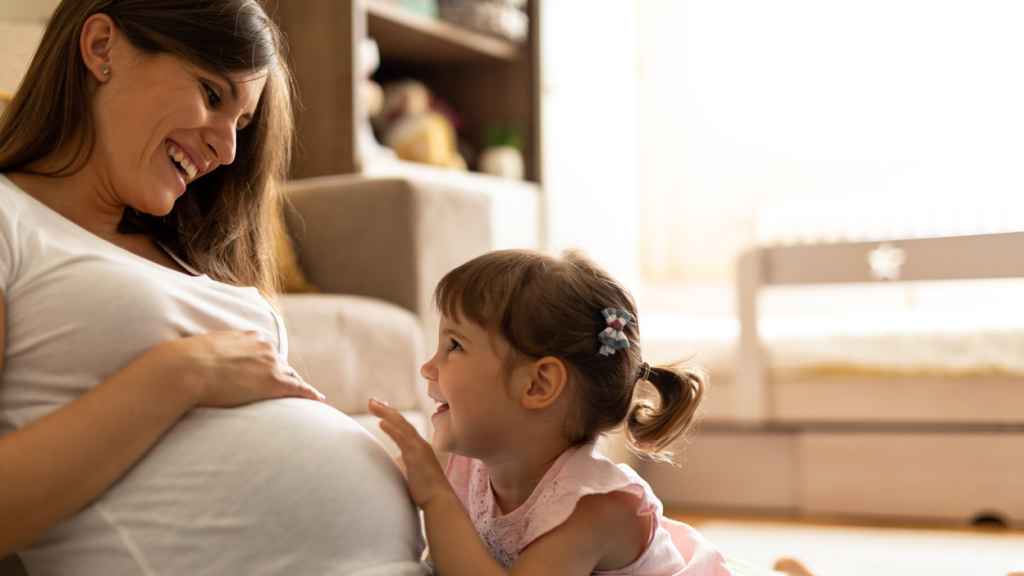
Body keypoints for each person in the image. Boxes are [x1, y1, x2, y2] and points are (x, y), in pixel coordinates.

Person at [0, 1, 426, 574]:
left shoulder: (185, 247)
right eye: (211, 94)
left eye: (241, 125)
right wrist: (181, 373)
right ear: (102, 48)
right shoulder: (10, 218)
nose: (227, 151)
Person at [370, 249, 734, 575]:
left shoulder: (595, 509)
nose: (428, 368)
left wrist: (436, 497)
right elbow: (363, 481)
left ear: (538, 384)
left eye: (454, 346)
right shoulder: (463, 459)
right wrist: (314, 419)